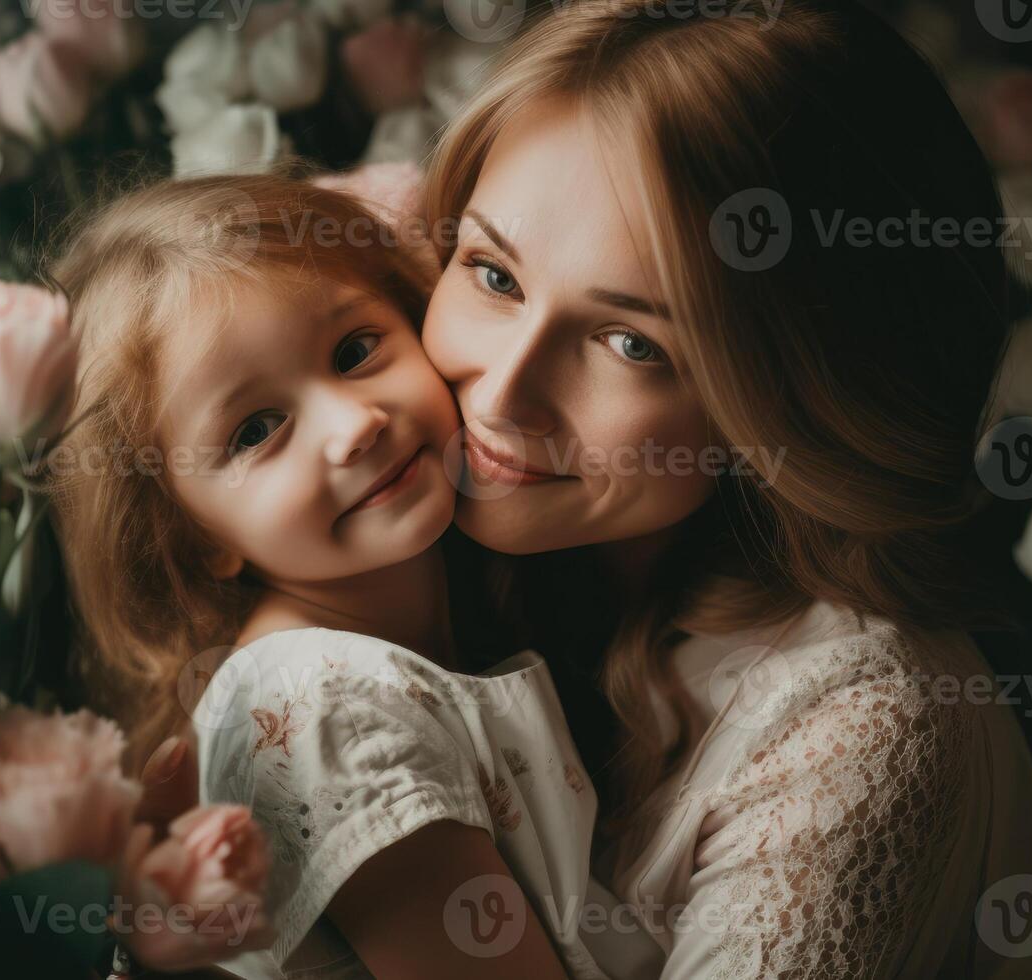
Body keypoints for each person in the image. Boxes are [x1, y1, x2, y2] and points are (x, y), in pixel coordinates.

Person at [414, 0, 1032, 975]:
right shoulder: (422, 536)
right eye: (491, 274)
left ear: (791, 400)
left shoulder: (869, 724)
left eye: (631, 342)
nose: (503, 394)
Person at [48, 174, 660, 979]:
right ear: (195, 540)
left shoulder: (411, 649)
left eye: (354, 351)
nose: (355, 424)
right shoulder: (325, 711)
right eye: (256, 431)